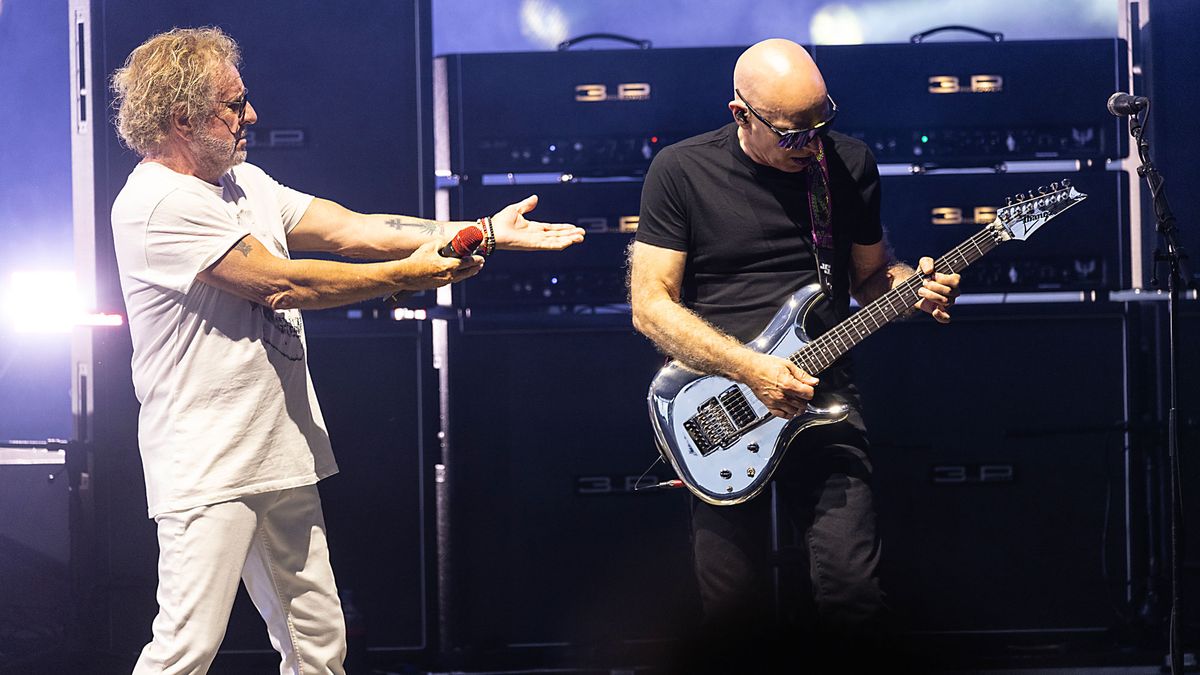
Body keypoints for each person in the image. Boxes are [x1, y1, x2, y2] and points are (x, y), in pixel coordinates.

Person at [107, 27, 584, 675]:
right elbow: (282, 282)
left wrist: (481, 232)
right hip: (207, 463)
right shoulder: (157, 204)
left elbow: (353, 230)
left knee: (318, 644)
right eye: (234, 103)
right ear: (182, 118)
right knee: (186, 648)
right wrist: (408, 276)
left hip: (277, 449)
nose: (252, 115)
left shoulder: (244, 182)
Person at [628, 38, 959, 668]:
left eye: (819, 124)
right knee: (733, 607)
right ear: (740, 114)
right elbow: (651, 305)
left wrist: (912, 288)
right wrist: (752, 369)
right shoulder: (680, 170)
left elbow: (870, 277)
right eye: (791, 133)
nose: (809, 144)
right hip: (719, 404)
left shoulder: (847, 163)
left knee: (854, 593)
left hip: (825, 394)